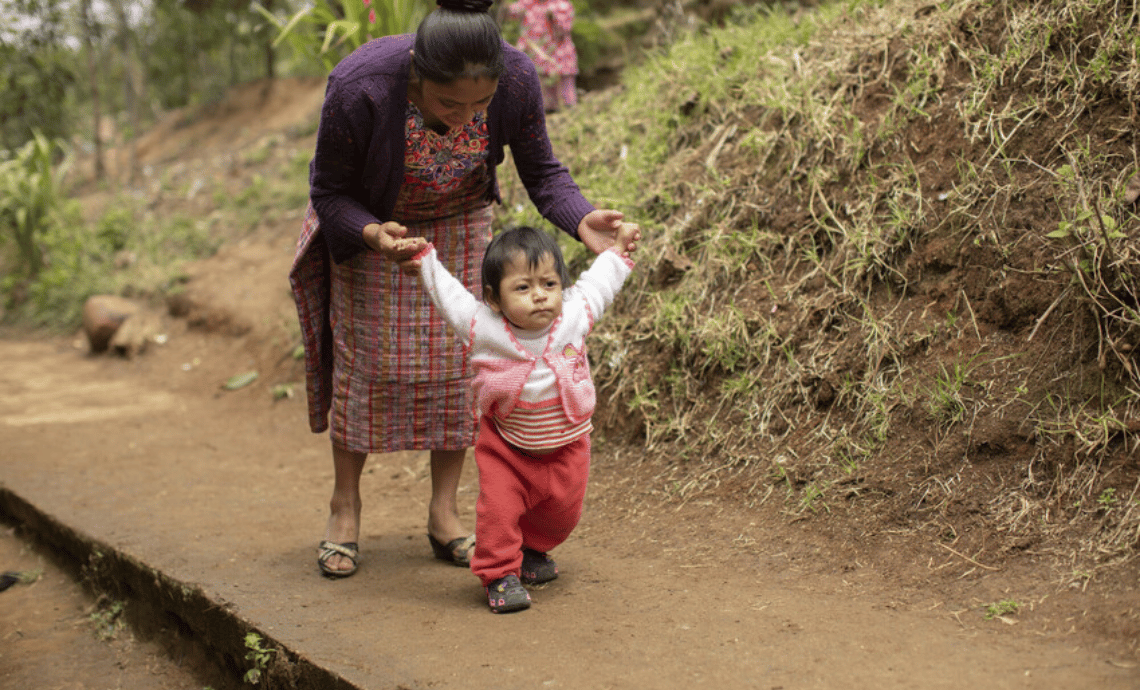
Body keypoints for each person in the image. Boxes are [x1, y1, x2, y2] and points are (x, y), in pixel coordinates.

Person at [289, 0, 639, 578]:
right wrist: (374, 234)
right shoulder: (361, 86)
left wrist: (582, 222)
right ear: (417, 76)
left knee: (464, 366)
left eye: (481, 103)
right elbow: (328, 192)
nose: (466, 115)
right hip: (376, 226)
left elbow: (542, 171)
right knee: (366, 366)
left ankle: (444, 514)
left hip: (458, 220)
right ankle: (345, 507)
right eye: (450, 102)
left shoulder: (518, 78)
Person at [407, 224, 639, 612]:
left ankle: (532, 550)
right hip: (506, 449)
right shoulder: (482, 325)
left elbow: (600, 282)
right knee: (498, 511)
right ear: (494, 299)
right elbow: (448, 295)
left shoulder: (574, 314)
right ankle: (499, 573)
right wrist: (424, 258)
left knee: (563, 513)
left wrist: (618, 250)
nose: (540, 296)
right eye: (523, 288)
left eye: (549, 284)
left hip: (568, 446)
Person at [506, 0, 579, 112]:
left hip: (561, 55)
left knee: (566, 89)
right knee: (546, 92)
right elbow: (511, 13)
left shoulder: (561, 5)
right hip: (538, 57)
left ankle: (572, 112)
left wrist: (553, 16)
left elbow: (565, 29)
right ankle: (552, 113)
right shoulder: (528, 3)